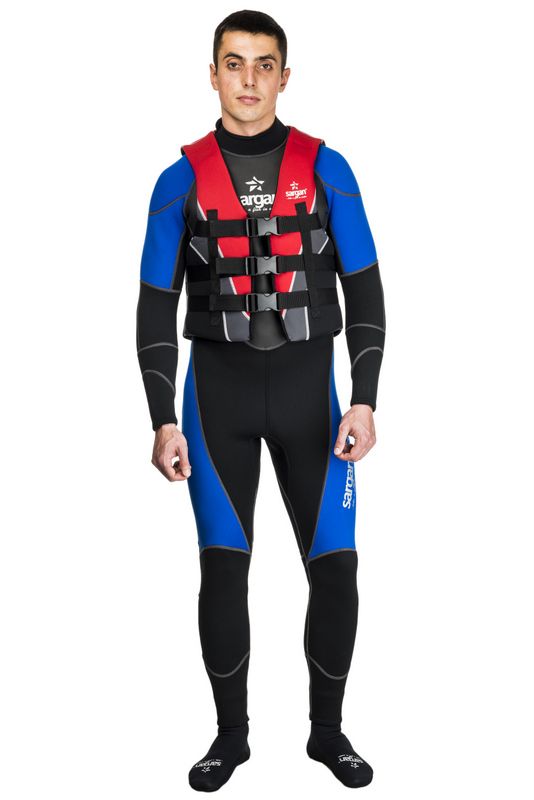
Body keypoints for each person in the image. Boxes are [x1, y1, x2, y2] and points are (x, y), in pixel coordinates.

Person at [136, 10, 386, 792]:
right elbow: (153, 309)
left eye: (264, 64)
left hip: (315, 403)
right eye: (234, 63)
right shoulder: (178, 181)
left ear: (285, 76)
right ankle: (231, 737)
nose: (249, 79)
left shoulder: (328, 169)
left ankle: (328, 734)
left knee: (337, 569)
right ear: (212, 74)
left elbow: (365, 289)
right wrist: (162, 420)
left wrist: (365, 400)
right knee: (223, 570)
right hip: (217, 401)